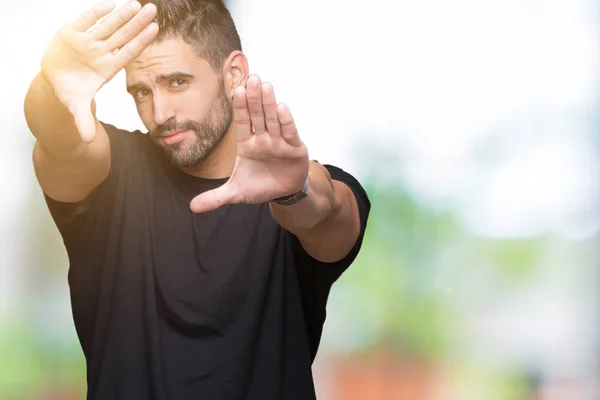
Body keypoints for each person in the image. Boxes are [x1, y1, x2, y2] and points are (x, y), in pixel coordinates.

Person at [23, 0, 370, 398]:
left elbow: (328, 213)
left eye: (177, 82)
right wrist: (52, 89)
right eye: (140, 91)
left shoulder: (293, 184)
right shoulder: (110, 176)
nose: (159, 112)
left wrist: (295, 191)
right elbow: (60, 139)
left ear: (234, 73)